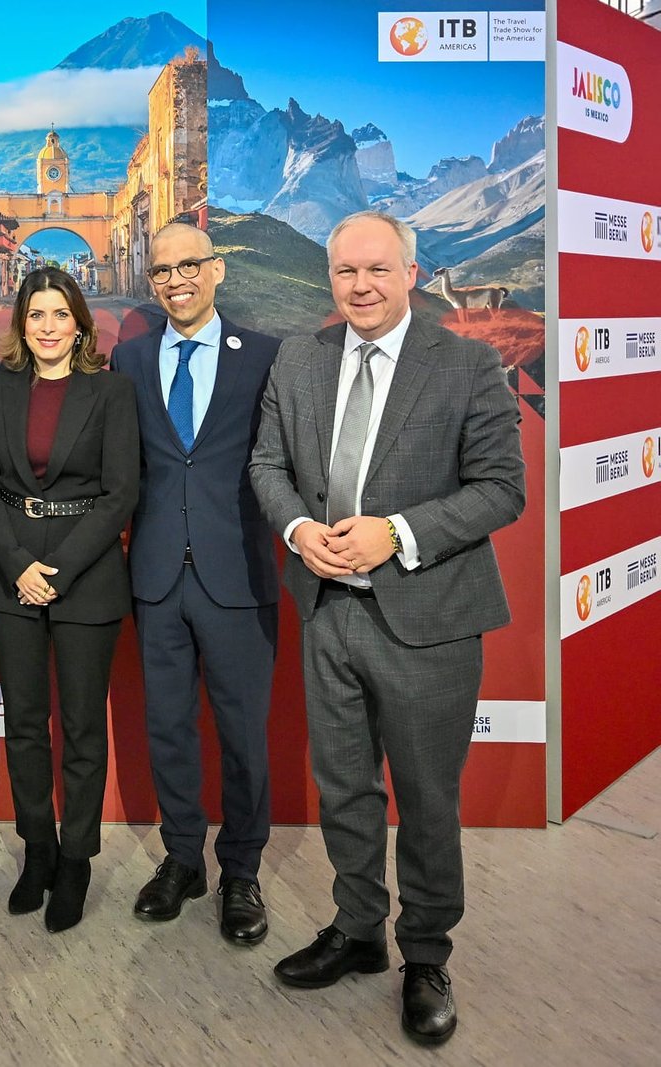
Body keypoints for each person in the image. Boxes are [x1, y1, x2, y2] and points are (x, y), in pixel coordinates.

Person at [249, 210, 525, 1045]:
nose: (361, 286)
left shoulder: (469, 364)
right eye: (345, 272)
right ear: (328, 278)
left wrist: (394, 534)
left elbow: (501, 488)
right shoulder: (300, 357)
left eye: (377, 269)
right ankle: (360, 927)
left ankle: (427, 953)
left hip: (430, 617)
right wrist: (301, 532)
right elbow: (267, 464)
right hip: (329, 609)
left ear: (411, 271)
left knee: (428, 798)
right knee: (345, 785)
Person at [109, 222, 280, 945]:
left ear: (216, 271)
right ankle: (183, 858)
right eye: (161, 270)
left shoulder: (266, 357)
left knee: (243, 735)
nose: (175, 280)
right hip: (155, 575)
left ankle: (241, 869)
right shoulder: (130, 358)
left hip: (236, 572)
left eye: (189, 266)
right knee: (168, 728)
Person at [0, 267, 138, 933]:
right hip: (13, 576)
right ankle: (37, 848)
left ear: (79, 323)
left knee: (82, 729)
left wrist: (59, 567)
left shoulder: (111, 391)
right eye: (34, 314)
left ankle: (77, 857)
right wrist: (17, 564)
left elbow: (121, 491)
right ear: (20, 323)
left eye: (58, 314)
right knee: (25, 723)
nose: (45, 326)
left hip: (86, 575)